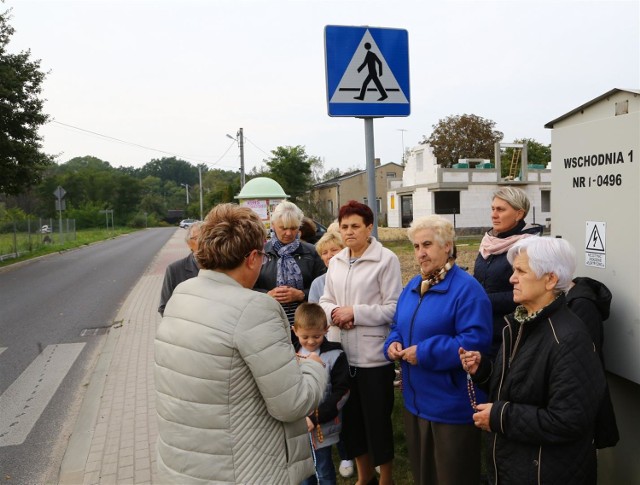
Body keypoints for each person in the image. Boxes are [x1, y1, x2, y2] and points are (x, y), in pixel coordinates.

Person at [155, 203, 327, 484]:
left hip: (186, 463)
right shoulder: (255, 308)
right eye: (262, 255)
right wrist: (314, 368)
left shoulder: (182, 294)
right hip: (244, 469)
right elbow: (292, 403)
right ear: (251, 258)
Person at [460, 237, 606, 485]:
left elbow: (568, 420)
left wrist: (500, 416)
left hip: (545, 472)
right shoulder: (519, 324)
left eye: (521, 271)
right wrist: (484, 371)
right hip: (516, 466)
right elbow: (522, 388)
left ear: (550, 280)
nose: (511, 279)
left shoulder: (568, 338)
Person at [384, 215, 492, 485]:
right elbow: (398, 324)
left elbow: (473, 342)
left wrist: (424, 353)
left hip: (451, 407)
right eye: (417, 246)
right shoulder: (412, 286)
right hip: (415, 403)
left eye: (427, 244)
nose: (420, 253)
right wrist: (393, 343)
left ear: (447, 246)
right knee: (424, 476)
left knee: (452, 477)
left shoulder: (468, 290)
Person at [319, 200, 402, 485]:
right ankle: (363, 476)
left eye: (356, 226)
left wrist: (356, 312)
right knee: (351, 421)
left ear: (369, 228)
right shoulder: (338, 260)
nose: (349, 232)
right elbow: (325, 299)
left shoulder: (386, 259)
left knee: (377, 421)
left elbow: (393, 307)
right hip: (342, 354)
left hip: (373, 357)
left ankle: (386, 478)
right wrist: (334, 313)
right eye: (344, 227)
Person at [307, 227, 355, 478]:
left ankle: (349, 453)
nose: (328, 256)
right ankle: (332, 450)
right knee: (330, 397)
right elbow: (317, 313)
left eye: (333, 250)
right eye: (323, 253)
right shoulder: (318, 282)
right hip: (328, 343)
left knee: (346, 403)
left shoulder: (350, 275)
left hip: (353, 343)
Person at [474, 187, 543, 357]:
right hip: (482, 329)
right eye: (493, 209)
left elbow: (529, 294)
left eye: (501, 210)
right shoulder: (488, 243)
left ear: (519, 214)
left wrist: (480, 300)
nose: (494, 214)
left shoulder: (529, 247)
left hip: (510, 334)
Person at [294, 303, 350, 485]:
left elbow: (341, 392)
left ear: (326, 330)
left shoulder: (335, 354)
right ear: (295, 331)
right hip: (296, 428)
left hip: (321, 427)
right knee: (303, 473)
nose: (311, 341)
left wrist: (315, 418)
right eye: (305, 337)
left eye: (316, 336)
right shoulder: (290, 353)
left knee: (323, 470)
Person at [254, 201, 326, 334]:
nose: (288, 233)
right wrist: (267, 295)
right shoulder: (259, 253)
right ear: (274, 225)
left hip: (306, 326)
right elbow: (247, 288)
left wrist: (301, 294)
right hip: (268, 323)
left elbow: (325, 287)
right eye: (283, 227)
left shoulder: (312, 252)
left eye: (293, 228)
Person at [566, 276, 619, 450]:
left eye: (522, 271)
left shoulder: (581, 305)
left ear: (551, 275)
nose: (513, 279)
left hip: (577, 416)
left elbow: (584, 368)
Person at [158, 221, 202, 316]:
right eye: (198, 238)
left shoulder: (221, 267)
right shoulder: (174, 270)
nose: (203, 242)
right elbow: (164, 307)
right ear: (189, 244)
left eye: (207, 238)